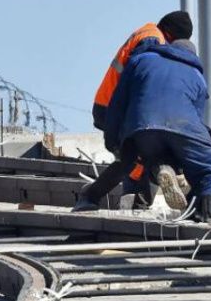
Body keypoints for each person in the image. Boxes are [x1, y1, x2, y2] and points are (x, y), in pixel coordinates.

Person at [73, 11, 193, 212]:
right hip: (117, 108)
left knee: (134, 158)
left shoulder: (149, 33)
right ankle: (131, 193)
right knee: (141, 155)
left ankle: (133, 200)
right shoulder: (152, 40)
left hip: (114, 105)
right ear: (172, 35)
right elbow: (142, 78)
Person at [103, 38, 211, 225]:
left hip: (140, 127)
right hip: (183, 125)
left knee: (154, 157)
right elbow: (196, 119)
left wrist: (113, 140)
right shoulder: (197, 76)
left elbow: (117, 103)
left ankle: (162, 169)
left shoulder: (140, 60)